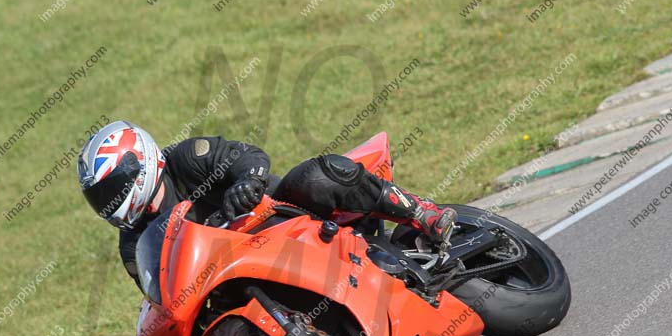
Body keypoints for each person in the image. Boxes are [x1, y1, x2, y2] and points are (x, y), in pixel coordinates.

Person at [77, 120, 456, 287]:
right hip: (241, 271)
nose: (107, 203)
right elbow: (158, 292)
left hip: (281, 217)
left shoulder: (187, 158)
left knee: (316, 176)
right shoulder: (133, 243)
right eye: (99, 197)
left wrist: (248, 183)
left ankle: (422, 212)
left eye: (111, 189)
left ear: (139, 165)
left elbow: (251, 156)